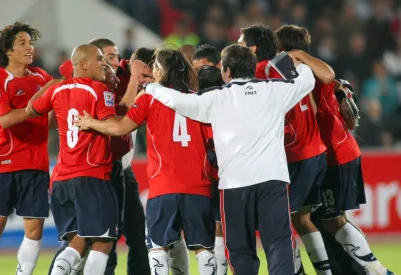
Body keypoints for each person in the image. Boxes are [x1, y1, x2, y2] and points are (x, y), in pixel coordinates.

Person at [135, 44, 316, 275]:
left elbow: (180, 101)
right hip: (273, 180)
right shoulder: (275, 91)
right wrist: (299, 64)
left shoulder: (217, 98)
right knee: (279, 242)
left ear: (227, 71)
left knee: (240, 249)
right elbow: (307, 81)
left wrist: (151, 88)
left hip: (234, 186)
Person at [75, 47, 217, 275]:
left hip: (164, 187)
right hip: (198, 187)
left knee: (157, 248)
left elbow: (120, 127)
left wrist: (92, 122)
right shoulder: (199, 101)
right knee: (204, 249)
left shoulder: (150, 98)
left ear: (160, 70)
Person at [275, 24, 396, 275]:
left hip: (334, 155)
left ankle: (375, 269)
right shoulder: (302, 74)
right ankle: (359, 269)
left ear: (286, 49)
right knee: (324, 219)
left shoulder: (308, 72)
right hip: (331, 154)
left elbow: (329, 77)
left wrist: (299, 57)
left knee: (330, 219)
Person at [238, 24, 332, 275]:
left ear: (253, 48)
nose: (238, 46)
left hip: (295, 155)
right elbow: (311, 106)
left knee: (279, 221)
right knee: (301, 219)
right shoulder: (288, 65)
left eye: (241, 43)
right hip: (315, 150)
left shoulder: (259, 71)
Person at [58, 45, 154, 275]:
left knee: (132, 236)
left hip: (120, 169)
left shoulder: (114, 80)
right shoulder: (100, 87)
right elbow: (119, 121)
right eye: (105, 56)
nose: (112, 61)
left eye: (114, 56)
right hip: (98, 169)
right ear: (89, 61)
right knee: (97, 240)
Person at [26, 44, 118, 275]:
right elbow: (113, 126)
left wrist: (51, 83)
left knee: (76, 242)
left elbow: (30, 108)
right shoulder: (99, 90)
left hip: (61, 180)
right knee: (102, 242)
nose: (103, 63)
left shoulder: (57, 90)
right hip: (91, 176)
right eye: (99, 59)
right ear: (84, 64)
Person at [0, 22, 55, 275]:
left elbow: (51, 119)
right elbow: (6, 119)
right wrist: (36, 106)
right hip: (3, 162)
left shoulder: (42, 77)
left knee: (34, 230)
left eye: (30, 43)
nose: (29, 47)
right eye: (22, 43)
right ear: (8, 51)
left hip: (36, 163)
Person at [197, 65, 227, 275]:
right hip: (227, 173)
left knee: (212, 229)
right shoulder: (229, 103)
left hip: (205, 174)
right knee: (220, 227)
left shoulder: (196, 106)